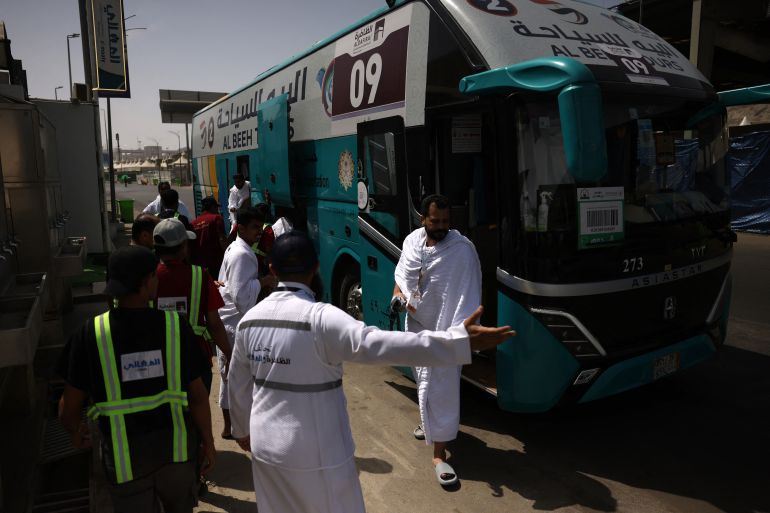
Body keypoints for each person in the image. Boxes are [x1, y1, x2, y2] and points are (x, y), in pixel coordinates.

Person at [227, 231, 515, 513]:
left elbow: (237, 385)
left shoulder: (248, 323)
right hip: (319, 453)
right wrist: (456, 342)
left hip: (265, 448)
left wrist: (241, 431)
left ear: (272, 269)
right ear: (315, 267)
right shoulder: (321, 319)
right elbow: (384, 345)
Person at [58, 246, 215, 513]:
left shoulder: (91, 333)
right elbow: (198, 396)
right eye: (154, 276)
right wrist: (208, 443)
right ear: (145, 284)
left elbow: (69, 407)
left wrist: (75, 431)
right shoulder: (175, 327)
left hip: (124, 464)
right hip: (176, 456)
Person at [392, 194, 482, 486]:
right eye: (435, 221)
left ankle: (439, 455)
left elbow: (467, 292)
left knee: (442, 387)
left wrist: (460, 333)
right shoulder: (412, 243)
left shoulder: (462, 250)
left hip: (447, 329)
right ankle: (427, 423)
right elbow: (404, 279)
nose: (441, 226)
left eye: (445, 221)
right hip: (416, 324)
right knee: (422, 380)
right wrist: (398, 296)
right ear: (423, 220)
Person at [216, 207, 276, 439]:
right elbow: (241, 299)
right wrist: (264, 281)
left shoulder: (238, 248)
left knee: (229, 377)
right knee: (240, 380)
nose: (258, 233)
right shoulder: (241, 254)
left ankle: (230, 427)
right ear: (240, 228)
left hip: (229, 323)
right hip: (235, 326)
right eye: (254, 228)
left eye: (260, 228)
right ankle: (242, 429)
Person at [153, 218, 231, 394]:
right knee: (198, 416)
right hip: (195, 357)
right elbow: (214, 324)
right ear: (183, 247)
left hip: (159, 359)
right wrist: (229, 352)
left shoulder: (148, 278)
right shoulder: (200, 276)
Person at [191, 196, 227, 280]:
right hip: (216, 264)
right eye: (216, 208)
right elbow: (222, 240)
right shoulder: (216, 218)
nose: (217, 210)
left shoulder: (193, 224)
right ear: (212, 207)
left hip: (200, 267)